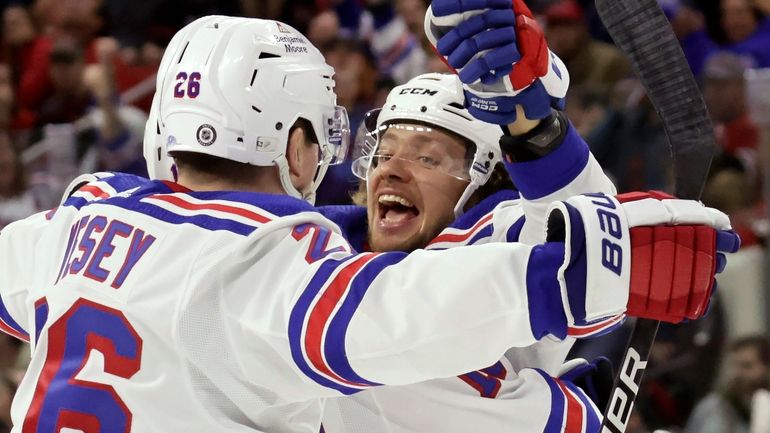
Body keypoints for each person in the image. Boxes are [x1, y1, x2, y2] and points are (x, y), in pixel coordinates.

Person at [3, 15, 734, 433]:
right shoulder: (292, 273)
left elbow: (514, 251)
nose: (389, 167)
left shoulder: (79, 222)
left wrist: (536, 126)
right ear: (295, 143)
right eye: (384, 147)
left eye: (432, 153)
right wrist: (591, 278)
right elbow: (409, 318)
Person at [684, 335, 770, 433]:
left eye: (747, 366)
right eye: (734, 365)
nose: (738, 373)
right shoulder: (713, 407)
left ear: (766, 367)